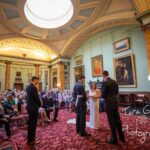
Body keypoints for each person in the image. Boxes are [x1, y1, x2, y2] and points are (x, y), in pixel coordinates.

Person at [101, 71, 125, 145]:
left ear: (103, 75)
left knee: (111, 121)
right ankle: (121, 136)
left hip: (108, 104)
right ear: (108, 74)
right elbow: (117, 92)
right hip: (115, 103)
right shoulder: (115, 82)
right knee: (117, 120)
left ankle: (114, 138)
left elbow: (103, 95)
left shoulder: (105, 83)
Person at [26, 76, 41, 145]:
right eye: (37, 80)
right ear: (34, 80)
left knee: (30, 124)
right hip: (34, 108)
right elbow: (36, 98)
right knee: (33, 124)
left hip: (29, 107)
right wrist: (40, 104)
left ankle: (29, 139)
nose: (38, 82)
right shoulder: (34, 87)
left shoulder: (28, 87)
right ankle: (32, 140)